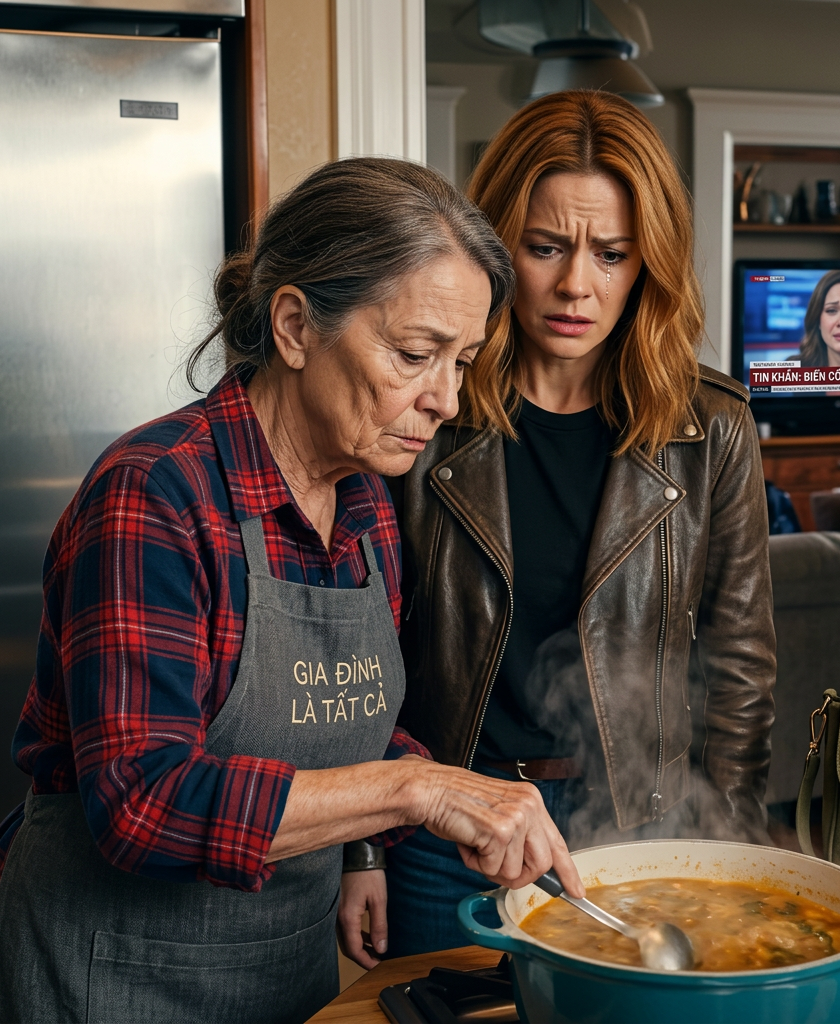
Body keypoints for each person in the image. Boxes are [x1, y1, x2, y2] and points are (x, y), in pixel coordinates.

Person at [0, 157, 584, 1024]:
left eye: (464, 360)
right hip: (108, 972)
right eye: (415, 355)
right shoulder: (157, 494)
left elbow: (344, 719)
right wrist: (421, 790)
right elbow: (141, 803)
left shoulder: (365, 499)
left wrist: (401, 828)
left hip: (280, 972)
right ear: (294, 327)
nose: (445, 398)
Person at [337, 91, 778, 961]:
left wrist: (727, 853)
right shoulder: (423, 414)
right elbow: (366, 647)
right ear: (496, 249)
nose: (578, 284)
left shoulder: (712, 427)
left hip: (643, 835)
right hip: (445, 840)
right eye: (545, 248)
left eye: (611, 254)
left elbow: (740, 674)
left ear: (646, 262)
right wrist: (360, 846)